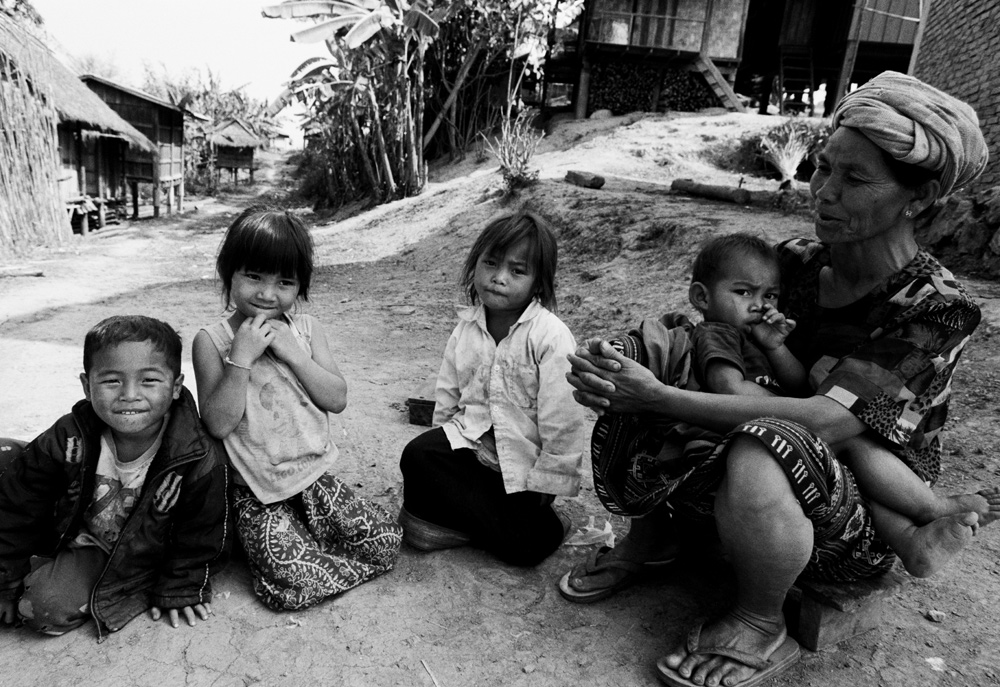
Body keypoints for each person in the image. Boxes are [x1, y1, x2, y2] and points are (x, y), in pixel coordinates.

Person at [560, 71, 997, 687]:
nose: (824, 191)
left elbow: (827, 421)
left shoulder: (936, 307)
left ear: (918, 198)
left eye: (854, 180)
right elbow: (715, 331)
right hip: (758, 450)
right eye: (824, 167)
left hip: (863, 510)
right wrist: (620, 365)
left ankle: (760, 620)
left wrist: (657, 396)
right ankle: (653, 539)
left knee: (765, 436)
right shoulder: (794, 262)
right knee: (653, 357)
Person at [686, 232, 1000, 579]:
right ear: (702, 297)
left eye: (770, 295)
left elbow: (797, 382)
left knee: (853, 460)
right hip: (752, 428)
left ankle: (910, 540)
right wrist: (798, 414)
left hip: (792, 422)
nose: (760, 305)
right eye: (743, 293)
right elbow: (729, 388)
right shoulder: (718, 333)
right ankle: (935, 507)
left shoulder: (753, 333)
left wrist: (776, 348)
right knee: (853, 441)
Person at [192, 205, 402, 611]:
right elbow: (217, 424)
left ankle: (309, 552)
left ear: (300, 287)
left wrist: (294, 354)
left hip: (312, 478)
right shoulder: (211, 341)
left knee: (386, 542)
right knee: (290, 578)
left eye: (284, 282)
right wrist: (241, 359)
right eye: (254, 276)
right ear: (228, 274)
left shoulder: (307, 330)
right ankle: (298, 556)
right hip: (255, 492)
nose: (267, 294)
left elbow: (336, 399)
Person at [0, 315, 230, 638]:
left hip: (134, 552)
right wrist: (7, 579)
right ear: (87, 386)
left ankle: (127, 582)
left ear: (176, 386)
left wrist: (181, 587)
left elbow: (203, 532)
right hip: (75, 530)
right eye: (111, 381)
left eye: (149, 380)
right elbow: (20, 502)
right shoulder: (69, 436)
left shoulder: (195, 455)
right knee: (8, 459)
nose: (129, 394)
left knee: (43, 608)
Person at [398, 209, 586, 566]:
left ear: (539, 284)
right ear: (475, 265)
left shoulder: (550, 336)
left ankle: (535, 527)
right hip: (470, 445)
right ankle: (459, 522)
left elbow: (562, 418)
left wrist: (550, 480)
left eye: (517, 271)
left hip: (519, 466)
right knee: (418, 455)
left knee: (525, 551)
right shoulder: (466, 329)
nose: (499, 278)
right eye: (491, 264)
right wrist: (441, 442)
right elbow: (448, 393)